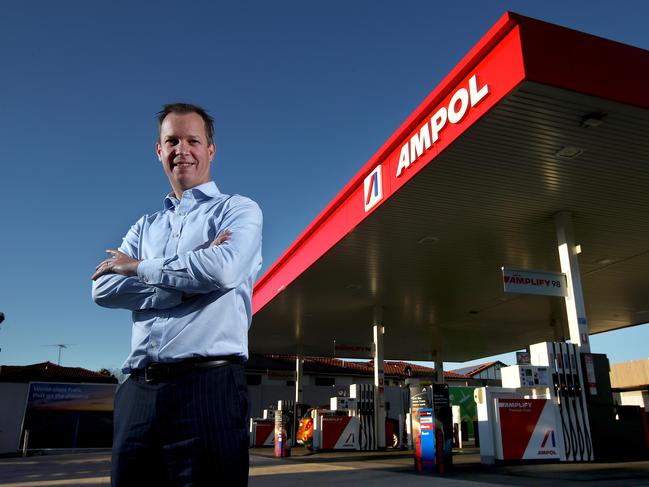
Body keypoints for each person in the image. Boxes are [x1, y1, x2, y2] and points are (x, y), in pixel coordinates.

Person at [92, 102, 262, 486]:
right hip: (137, 391)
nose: (181, 150)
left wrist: (137, 268)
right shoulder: (144, 226)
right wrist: (184, 286)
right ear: (158, 150)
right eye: (171, 140)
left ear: (210, 150)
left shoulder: (238, 210)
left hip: (208, 388)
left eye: (192, 140)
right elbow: (102, 288)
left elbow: (222, 270)